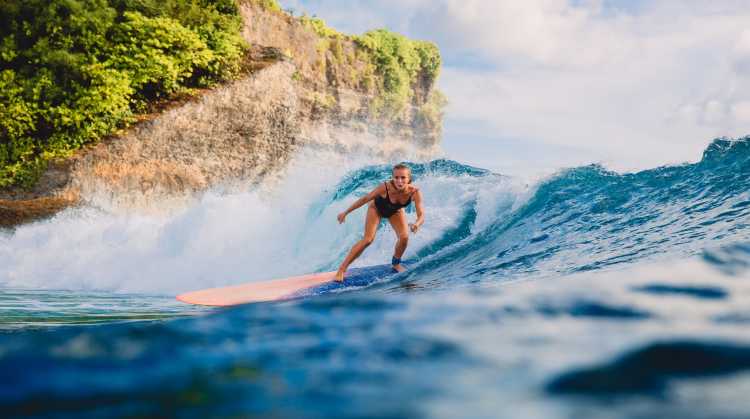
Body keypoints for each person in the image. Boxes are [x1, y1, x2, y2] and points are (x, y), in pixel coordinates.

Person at [334, 163, 424, 281]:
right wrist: (345, 212)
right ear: (392, 178)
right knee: (368, 239)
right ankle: (341, 269)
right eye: (396, 177)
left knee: (404, 237)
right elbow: (365, 199)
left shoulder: (414, 192)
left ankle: (395, 263)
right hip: (376, 209)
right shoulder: (385, 187)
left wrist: (417, 224)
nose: (399, 181)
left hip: (395, 211)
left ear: (409, 179)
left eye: (403, 177)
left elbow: (421, 214)